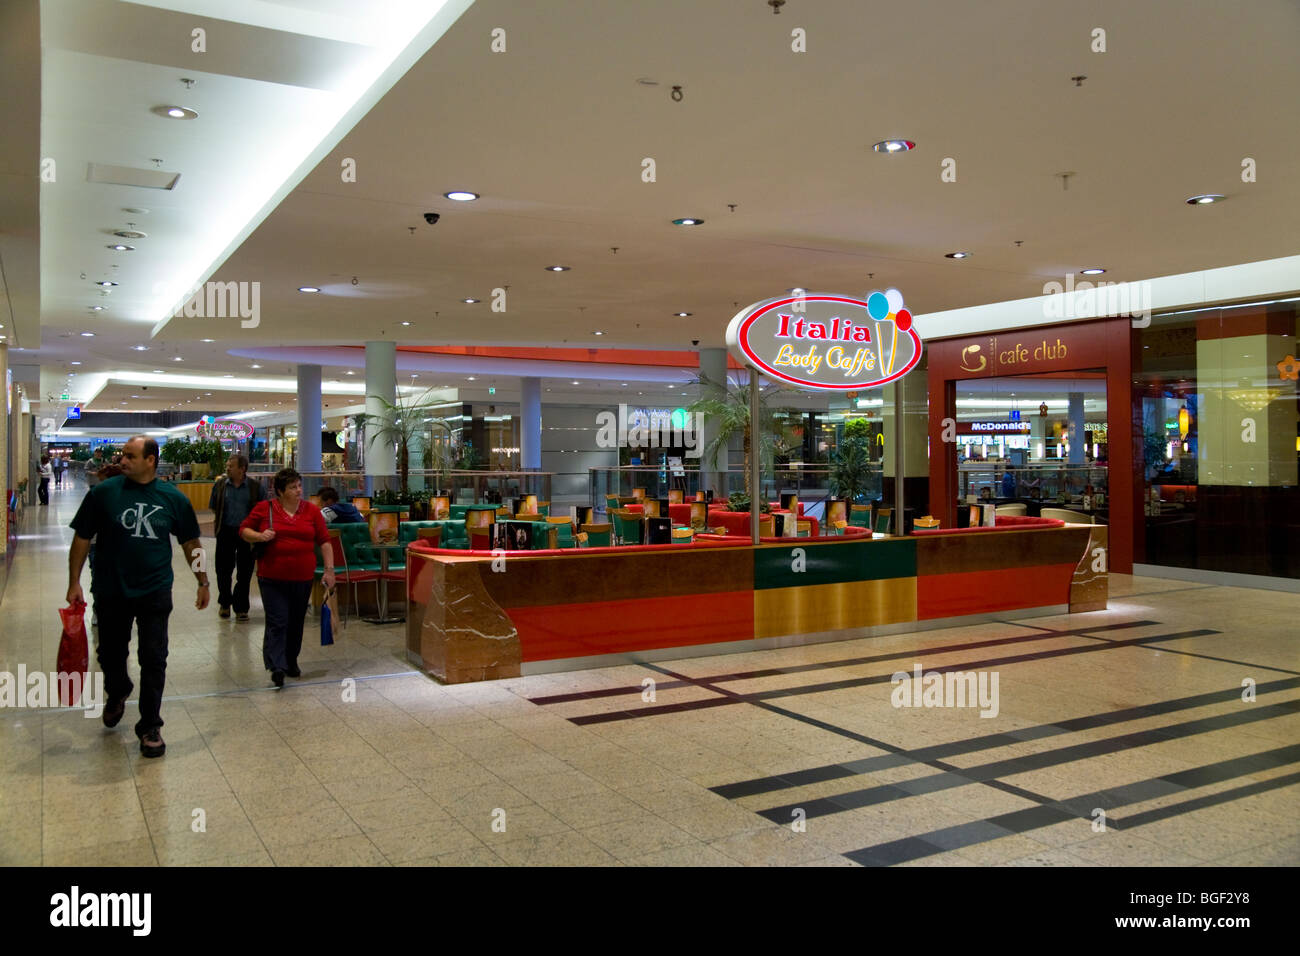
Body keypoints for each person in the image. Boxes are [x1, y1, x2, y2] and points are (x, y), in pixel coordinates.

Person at [66, 435, 208, 758]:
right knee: (111, 654)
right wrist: (74, 581)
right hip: (111, 589)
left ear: (151, 460)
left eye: (130, 456)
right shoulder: (103, 494)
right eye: (122, 456)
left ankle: (150, 725)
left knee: (154, 657)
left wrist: (203, 580)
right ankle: (117, 691)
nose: (122, 461)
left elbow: (191, 543)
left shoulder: (173, 499)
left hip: (155, 590)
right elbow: (82, 538)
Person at [240, 468, 334, 688]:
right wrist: (260, 536)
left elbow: (325, 541)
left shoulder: (311, 511)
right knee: (278, 620)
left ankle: (291, 660)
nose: (298, 490)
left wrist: (329, 570)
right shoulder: (265, 509)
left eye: (299, 486)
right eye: (293, 487)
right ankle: (277, 666)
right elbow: (244, 530)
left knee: (295, 621)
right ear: (280, 491)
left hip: (302, 577)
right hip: (271, 576)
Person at [208, 454, 265, 621]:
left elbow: (262, 510)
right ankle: (225, 603)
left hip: (247, 534)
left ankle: (241, 607)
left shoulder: (255, 487)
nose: (227, 468)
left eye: (231, 465)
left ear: (242, 469)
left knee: (245, 572)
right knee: (223, 570)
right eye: (227, 465)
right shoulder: (220, 485)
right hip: (225, 531)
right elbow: (213, 507)